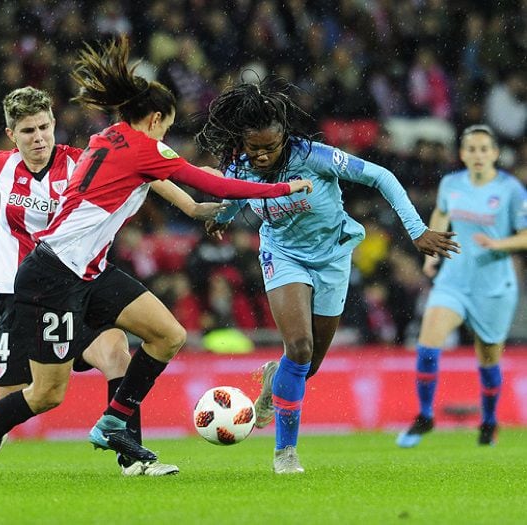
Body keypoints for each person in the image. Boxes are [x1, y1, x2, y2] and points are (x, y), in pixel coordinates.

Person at [0, 36, 310, 480]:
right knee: (48, 393)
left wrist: (193, 204)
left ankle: (114, 423)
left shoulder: (109, 137)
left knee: (168, 334)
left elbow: (177, 176)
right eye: (165, 125)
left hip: (89, 272)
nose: (165, 135)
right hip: (52, 274)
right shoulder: (143, 148)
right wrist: (283, 187)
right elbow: (216, 184)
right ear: (154, 119)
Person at [0, 86, 224, 476]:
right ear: (11, 135)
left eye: (45, 127)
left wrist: (190, 205)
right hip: (24, 293)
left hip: (81, 281)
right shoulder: (4, 166)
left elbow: (145, 171)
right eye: (29, 130)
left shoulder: (80, 163)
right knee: (22, 400)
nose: (39, 138)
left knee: (118, 349)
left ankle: (130, 457)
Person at [195, 76, 460, 474]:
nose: (263, 155)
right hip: (283, 254)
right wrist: (224, 217)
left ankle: (275, 376)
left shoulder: (315, 156)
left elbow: (382, 177)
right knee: (298, 347)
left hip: (333, 256)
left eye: (271, 147)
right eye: (255, 148)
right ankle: (285, 454)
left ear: (284, 137)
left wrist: (417, 230)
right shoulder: (240, 162)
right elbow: (236, 190)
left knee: (308, 364)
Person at [396, 125, 527, 448]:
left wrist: (497, 245)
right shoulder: (451, 183)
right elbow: (441, 214)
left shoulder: (511, 190)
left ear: (495, 153)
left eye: (485, 149)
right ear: (463, 154)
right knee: (427, 346)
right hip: (453, 280)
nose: (478, 155)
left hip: (494, 286)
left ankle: (489, 421)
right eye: (472, 149)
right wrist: (432, 251)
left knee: (488, 358)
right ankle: (425, 416)